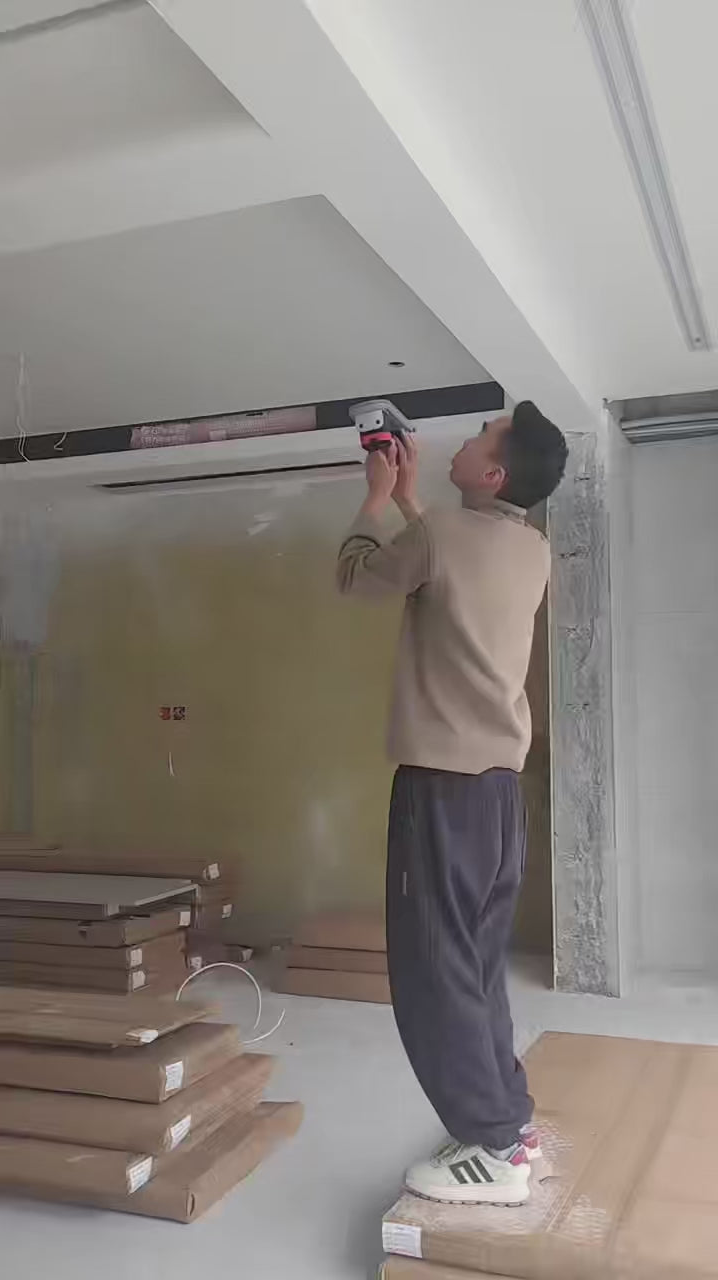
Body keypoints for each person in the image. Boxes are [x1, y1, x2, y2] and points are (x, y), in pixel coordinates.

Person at [336, 402, 568, 1205]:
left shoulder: (439, 537)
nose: (462, 445)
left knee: (434, 976)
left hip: (440, 788)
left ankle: (495, 1148)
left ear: (493, 474)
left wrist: (376, 498)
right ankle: (509, 1122)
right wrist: (410, 501)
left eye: (478, 440)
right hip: (499, 796)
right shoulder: (532, 549)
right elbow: (451, 562)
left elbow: (357, 580)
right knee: (476, 969)